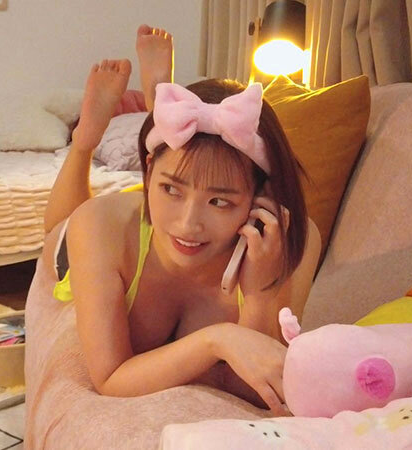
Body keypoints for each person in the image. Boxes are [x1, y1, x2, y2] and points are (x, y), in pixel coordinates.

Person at [40, 25, 322, 416]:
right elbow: (110, 378)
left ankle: (160, 107)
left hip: (164, 202)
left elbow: (260, 392)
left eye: (220, 202)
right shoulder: (102, 226)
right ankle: (87, 137)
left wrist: (261, 294)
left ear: (261, 197)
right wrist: (218, 340)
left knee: (187, 180)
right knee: (58, 232)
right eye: (170, 189)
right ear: (148, 170)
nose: (189, 224)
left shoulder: (289, 240)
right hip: (125, 227)